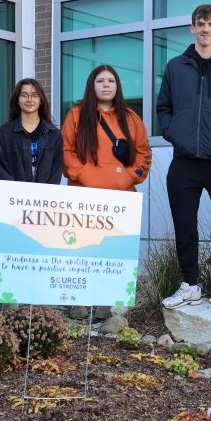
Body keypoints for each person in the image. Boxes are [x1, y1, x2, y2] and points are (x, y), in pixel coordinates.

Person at [157, 4, 211, 309]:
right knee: (185, 223)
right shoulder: (175, 66)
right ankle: (190, 285)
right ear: (192, 29)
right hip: (184, 161)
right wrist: (175, 133)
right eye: (200, 24)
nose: (205, 29)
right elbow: (163, 109)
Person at [62, 65, 152, 320]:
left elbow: (144, 152)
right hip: (84, 194)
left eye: (111, 80)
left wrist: (131, 176)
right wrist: (83, 174)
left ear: (117, 86)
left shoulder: (131, 118)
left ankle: (106, 301)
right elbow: (66, 151)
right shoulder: (77, 115)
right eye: (100, 80)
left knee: (112, 251)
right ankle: (78, 300)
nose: (105, 85)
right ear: (92, 85)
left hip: (120, 197)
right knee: (81, 249)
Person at [0, 78, 63, 185]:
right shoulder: (5, 133)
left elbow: (56, 173)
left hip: (45, 198)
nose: (29, 99)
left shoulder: (54, 135)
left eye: (35, 95)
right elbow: (2, 171)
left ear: (41, 100)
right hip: (13, 198)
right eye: (24, 95)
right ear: (17, 100)